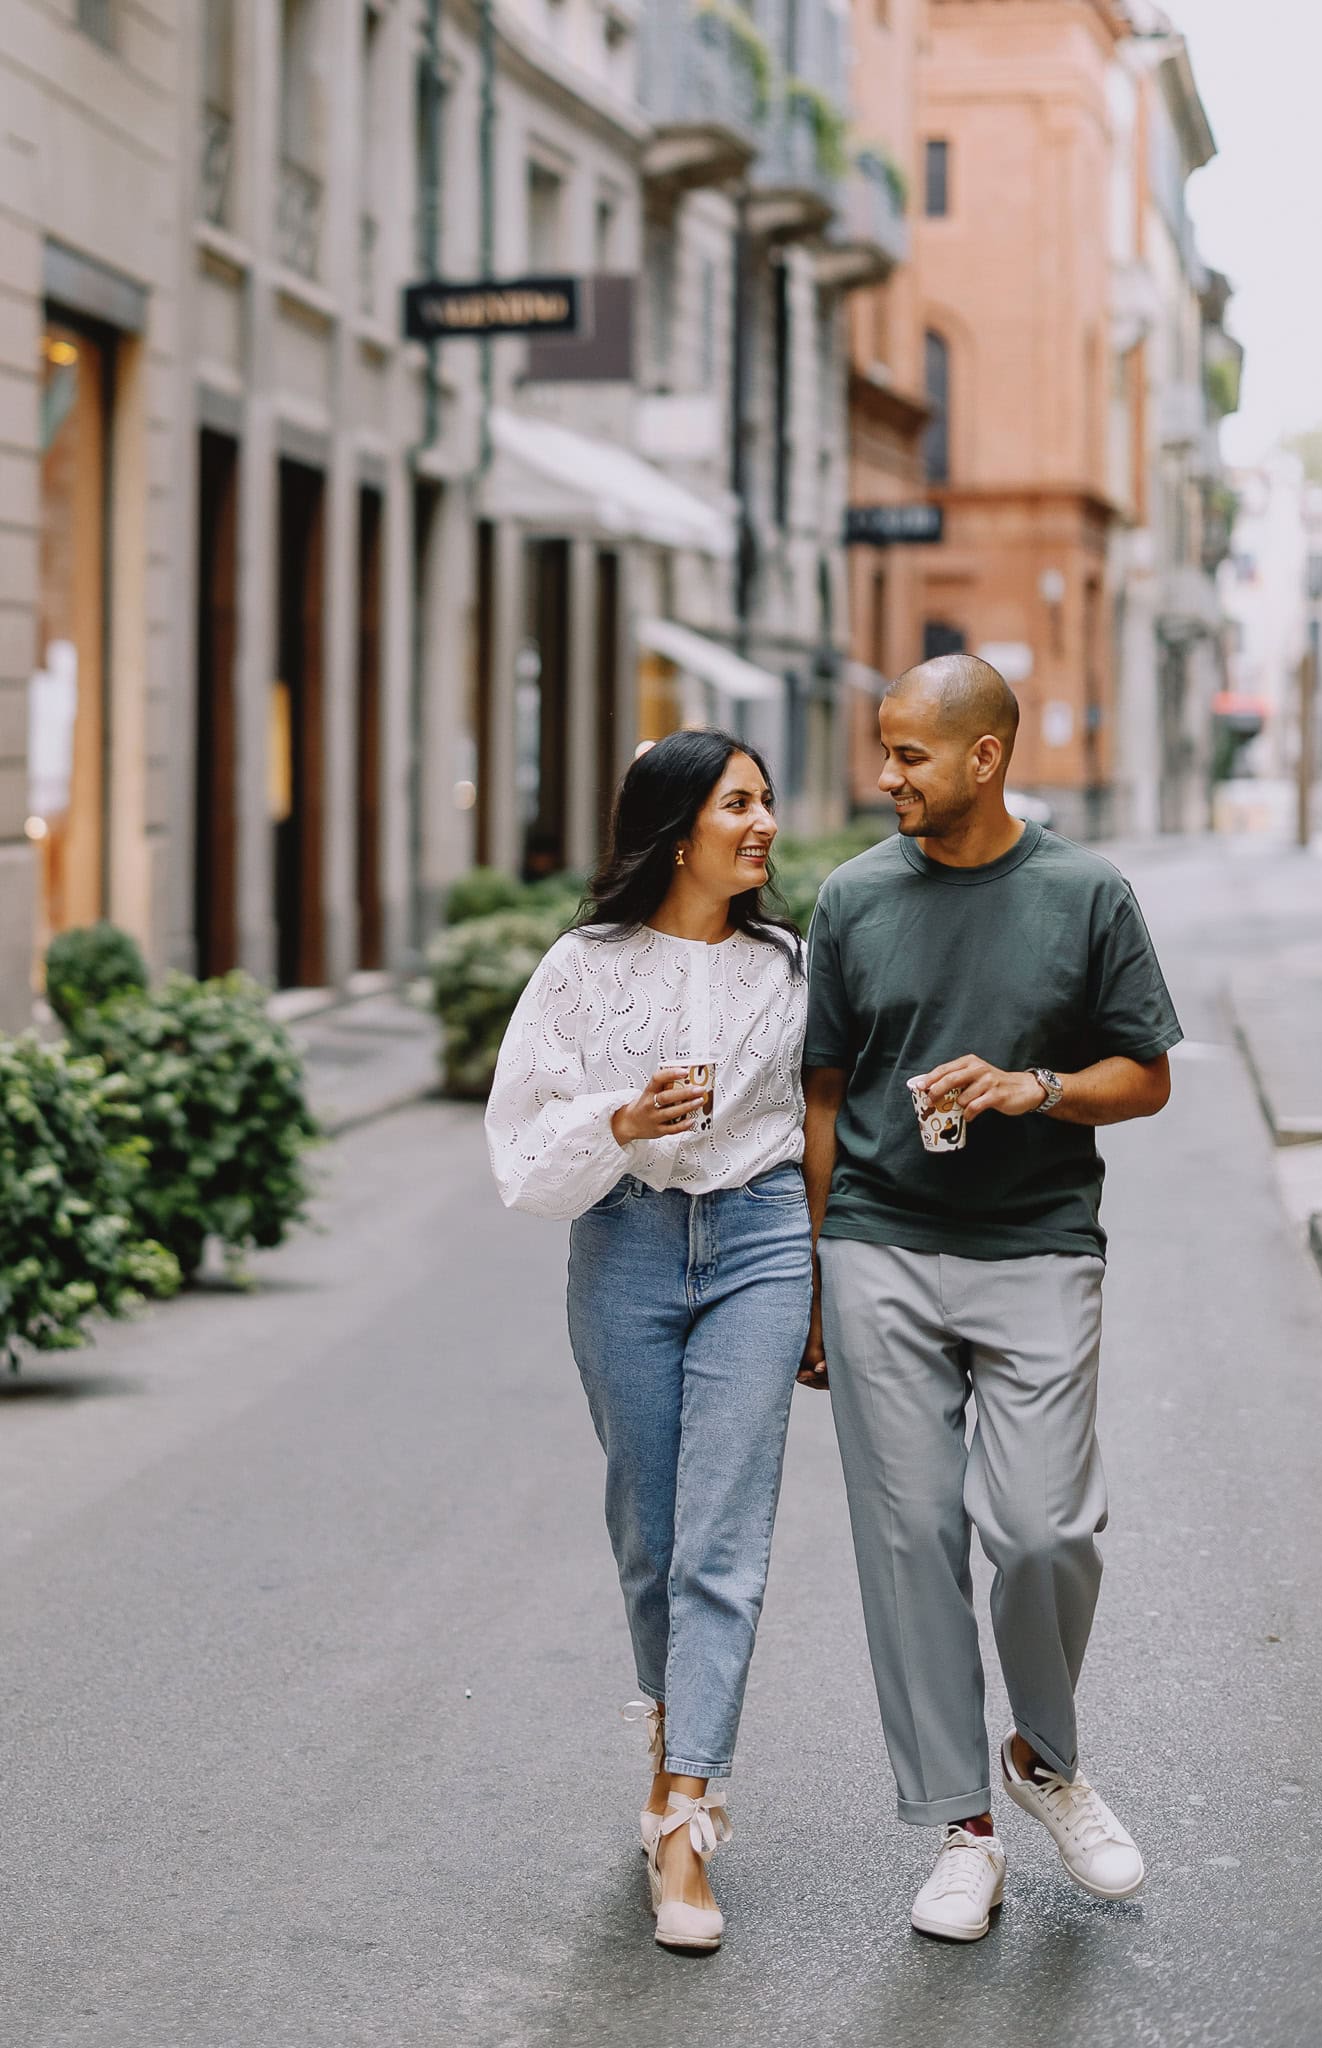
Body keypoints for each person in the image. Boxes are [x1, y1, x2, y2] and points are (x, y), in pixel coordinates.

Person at [801, 654, 1181, 1943]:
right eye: (884, 750)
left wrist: (1037, 1087)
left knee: (1040, 1528)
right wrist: (815, 1267)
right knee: (907, 1540)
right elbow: (822, 1092)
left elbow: (1146, 1075)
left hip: (1037, 1242)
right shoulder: (852, 896)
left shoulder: (1084, 893)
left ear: (985, 756)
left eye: (910, 753)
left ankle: (1046, 1760)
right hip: (881, 1244)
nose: (887, 775)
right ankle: (963, 1825)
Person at [485, 729, 810, 1954]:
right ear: (678, 826)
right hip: (622, 1244)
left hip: (763, 1238)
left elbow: (815, 1124)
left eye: (768, 800)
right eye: (742, 801)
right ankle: (677, 1743)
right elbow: (520, 1147)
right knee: (652, 1530)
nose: (766, 822)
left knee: (723, 1538)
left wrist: (823, 1286)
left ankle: (686, 1817)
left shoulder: (789, 966)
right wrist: (618, 1118)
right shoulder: (582, 966)